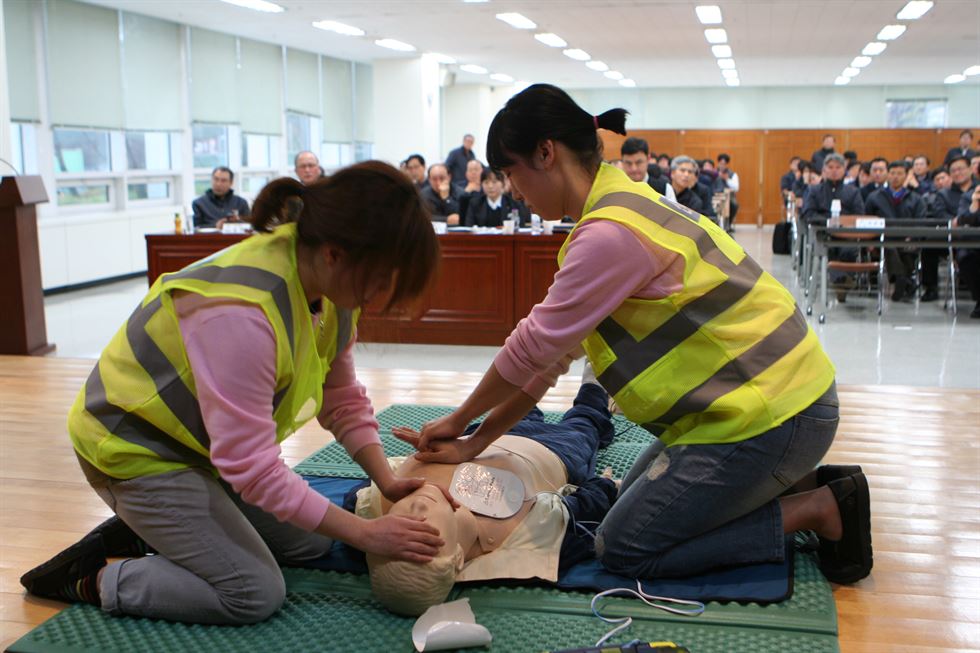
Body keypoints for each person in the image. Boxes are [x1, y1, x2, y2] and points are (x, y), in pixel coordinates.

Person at [405, 84, 871, 587]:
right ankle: (786, 480)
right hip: (767, 404)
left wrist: (458, 421)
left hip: (775, 412)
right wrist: (474, 442)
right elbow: (544, 363)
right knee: (627, 501)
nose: (512, 190)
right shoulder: (622, 207)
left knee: (624, 545)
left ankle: (818, 508)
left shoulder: (610, 233)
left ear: (546, 153)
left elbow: (530, 348)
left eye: (510, 172)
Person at [20, 162, 448, 625]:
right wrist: (367, 535)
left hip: (203, 450)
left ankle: (155, 532)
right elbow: (253, 470)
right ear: (335, 253)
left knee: (315, 541)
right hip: (134, 451)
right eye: (384, 278)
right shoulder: (241, 313)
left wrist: (385, 479)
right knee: (253, 591)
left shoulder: (332, 288)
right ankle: (95, 574)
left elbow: (340, 396)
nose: (384, 295)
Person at [363, 378, 619, 616]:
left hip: (480, 437)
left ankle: (530, 375)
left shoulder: (375, 501)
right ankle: (594, 384)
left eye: (399, 521)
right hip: (555, 451)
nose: (417, 506)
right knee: (586, 423)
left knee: (517, 401)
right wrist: (606, 485)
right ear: (457, 558)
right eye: (423, 530)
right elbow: (585, 508)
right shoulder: (521, 537)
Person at [866, 161, 927, 301]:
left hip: (908, 239)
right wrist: (869, 240)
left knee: (905, 249)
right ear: (887, 175)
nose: (895, 177)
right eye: (892, 173)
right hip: (882, 239)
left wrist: (912, 236)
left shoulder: (916, 199)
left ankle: (902, 280)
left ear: (906, 176)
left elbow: (921, 221)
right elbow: (866, 219)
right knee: (889, 245)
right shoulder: (874, 197)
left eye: (900, 173)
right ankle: (904, 280)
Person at [923, 156, 976, 301]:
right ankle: (930, 288)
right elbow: (940, 214)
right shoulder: (943, 193)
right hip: (953, 235)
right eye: (953, 170)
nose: (957, 173)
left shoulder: (977, 190)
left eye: (961, 169)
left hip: (975, 234)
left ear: (970, 169)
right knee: (929, 245)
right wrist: (958, 222)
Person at [464, 168, 529, 227]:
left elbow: (520, 227)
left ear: (503, 183)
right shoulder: (475, 204)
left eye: (494, 182)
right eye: (486, 182)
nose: (490, 186)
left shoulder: (514, 203)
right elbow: (469, 227)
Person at [954, 184, 980, 318]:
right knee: (965, 257)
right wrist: (974, 204)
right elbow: (962, 220)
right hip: (974, 243)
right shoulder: (969, 196)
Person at [716, 153, 740, 224]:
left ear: (727, 164)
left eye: (724, 164)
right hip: (715, 195)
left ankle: (728, 225)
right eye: (721, 163)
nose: (722, 165)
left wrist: (727, 179)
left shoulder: (732, 174)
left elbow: (736, 188)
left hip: (729, 196)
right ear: (718, 163)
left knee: (734, 205)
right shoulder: (714, 172)